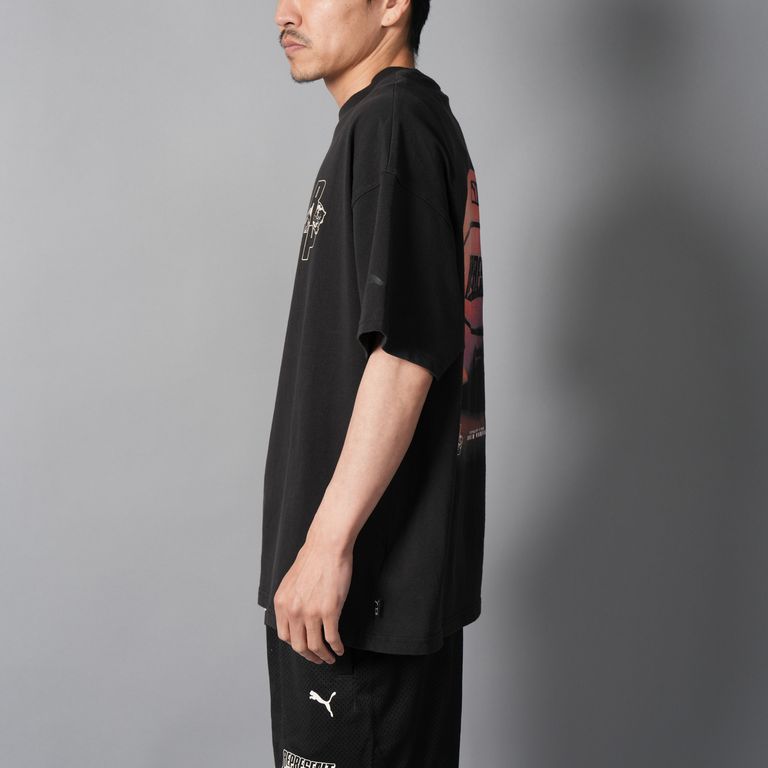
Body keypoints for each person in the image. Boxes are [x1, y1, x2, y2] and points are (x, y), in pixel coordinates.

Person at [260, 0, 486, 765]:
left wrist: (324, 548)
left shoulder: (391, 124)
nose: (284, 11)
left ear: (393, 4)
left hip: (357, 600)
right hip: (367, 593)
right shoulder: (394, 124)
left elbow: (407, 353)